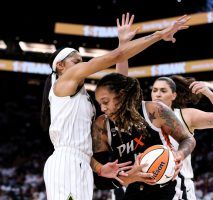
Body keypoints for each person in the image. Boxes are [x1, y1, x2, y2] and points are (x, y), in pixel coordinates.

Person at [40, 13, 192, 200]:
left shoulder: (82, 97)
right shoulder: (64, 81)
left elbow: (119, 93)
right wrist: (160, 34)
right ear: (61, 66)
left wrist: (99, 167)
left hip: (83, 163)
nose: (82, 65)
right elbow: (117, 56)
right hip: (67, 162)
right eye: (76, 61)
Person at [92, 72, 196, 200]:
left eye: (106, 102)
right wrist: (129, 177)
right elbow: (100, 180)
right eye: (100, 104)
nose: (102, 108)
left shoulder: (154, 110)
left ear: (122, 96)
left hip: (168, 187)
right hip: (133, 190)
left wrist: (179, 155)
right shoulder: (101, 125)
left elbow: (188, 139)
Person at [151, 76, 213, 200]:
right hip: (150, 187)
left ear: (174, 95)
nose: (157, 94)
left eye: (163, 91)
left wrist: (209, 93)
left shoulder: (185, 115)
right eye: (154, 90)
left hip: (178, 186)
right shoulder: (143, 117)